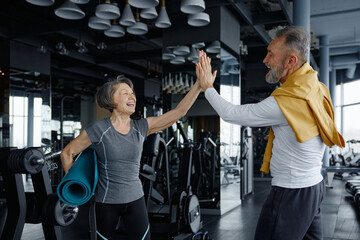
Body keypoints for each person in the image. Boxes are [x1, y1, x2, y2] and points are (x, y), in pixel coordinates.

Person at [196, 26, 345, 240]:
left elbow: (232, 114)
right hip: (313, 187)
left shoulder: (286, 102)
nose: (265, 60)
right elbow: (315, 127)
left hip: (291, 193)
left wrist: (208, 87)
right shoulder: (316, 88)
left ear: (290, 62)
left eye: (271, 55)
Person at [60, 52, 204, 240]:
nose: (132, 96)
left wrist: (199, 85)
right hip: (106, 202)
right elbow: (67, 154)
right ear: (111, 100)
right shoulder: (99, 129)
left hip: (136, 201)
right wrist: (80, 191)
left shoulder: (141, 127)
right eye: (125, 93)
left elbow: (179, 112)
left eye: (132, 93)